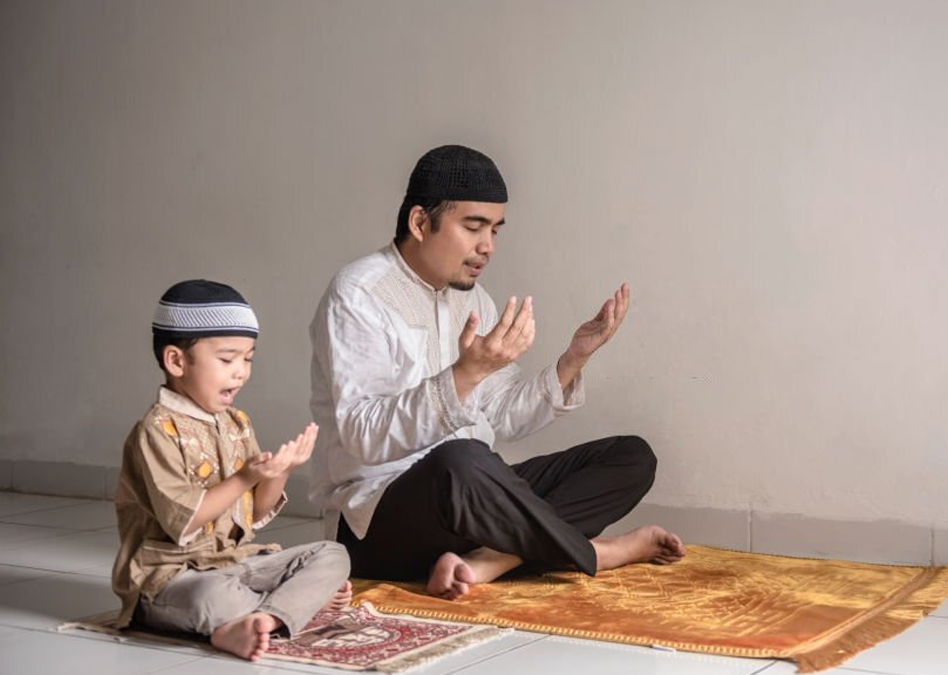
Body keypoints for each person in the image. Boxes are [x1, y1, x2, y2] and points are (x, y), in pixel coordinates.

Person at [309, 144, 685, 600]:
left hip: (474, 499)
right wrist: (464, 375)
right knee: (461, 461)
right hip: (379, 519)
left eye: (494, 229)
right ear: (420, 222)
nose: (487, 246)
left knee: (630, 457)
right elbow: (362, 435)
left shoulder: (473, 299)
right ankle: (596, 552)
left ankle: (492, 559)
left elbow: (505, 416)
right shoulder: (358, 294)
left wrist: (574, 358)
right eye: (473, 227)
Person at [112, 280, 353, 662]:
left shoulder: (236, 423)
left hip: (234, 564)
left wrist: (280, 471)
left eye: (248, 359)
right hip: (172, 578)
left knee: (333, 554)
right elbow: (184, 521)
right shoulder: (156, 431)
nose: (241, 372)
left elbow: (254, 514)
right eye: (227, 360)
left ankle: (262, 617)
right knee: (211, 597)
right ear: (176, 361)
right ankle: (285, 608)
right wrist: (245, 478)